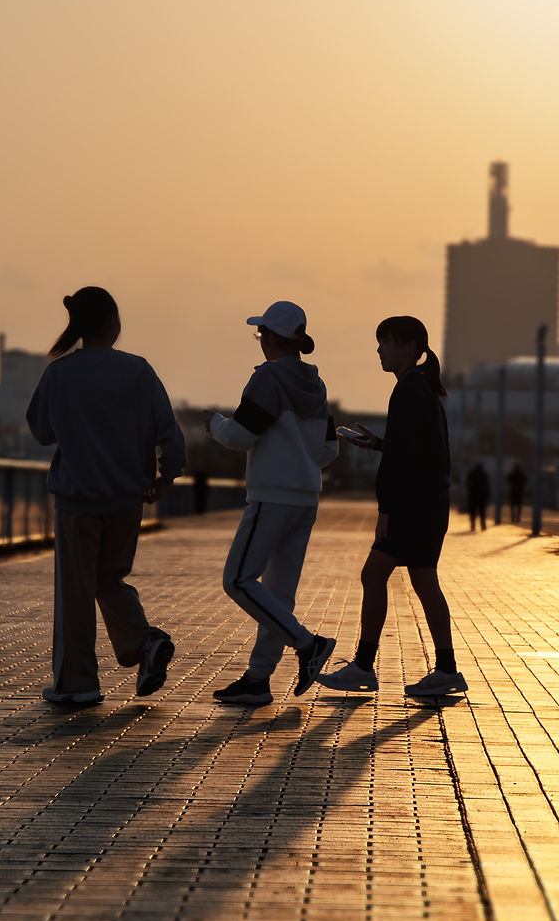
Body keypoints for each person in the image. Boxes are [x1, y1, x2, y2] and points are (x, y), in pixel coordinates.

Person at [26, 287, 185, 707]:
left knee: (76, 590)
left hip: (78, 498)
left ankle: (77, 682)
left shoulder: (59, 374)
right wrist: (164, 480)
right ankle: (142, 641)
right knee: (108, 578)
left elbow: (41, 431)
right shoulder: (138, 371)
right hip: (127, 497)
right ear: (112, 321)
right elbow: (171, 434)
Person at [318, 315, 467, 703]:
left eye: (384, 342)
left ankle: (365, 668)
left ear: (407, 345)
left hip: (413, 505)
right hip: (429, 502)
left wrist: (386, 508)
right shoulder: (420, 388)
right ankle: (446, 670)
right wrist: (378, 444)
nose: (379, 350)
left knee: (375, 573)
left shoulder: (408, 390)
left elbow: (403, 460)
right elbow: (414, 450)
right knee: (422, 581)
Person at [207, 301, 338, 706]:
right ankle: (258, 678)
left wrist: (213, 424)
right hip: (305, 499)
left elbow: (241, 436)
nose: (260, 340)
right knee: (278, 595)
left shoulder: (268, 379)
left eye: (261, 333)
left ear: (273, 338)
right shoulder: (315, 385)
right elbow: (329, 451)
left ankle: (308, 644)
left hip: (271, 496)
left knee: (239, 580)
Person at [465, 459, 490, 532]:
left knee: (473, 512)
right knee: (481, 512)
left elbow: (468, 484)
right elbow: (487, 486)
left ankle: (474, 526)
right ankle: (482, 525)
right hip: (480, 496)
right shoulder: (484, 474)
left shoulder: (472, 473)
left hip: (473, 496)